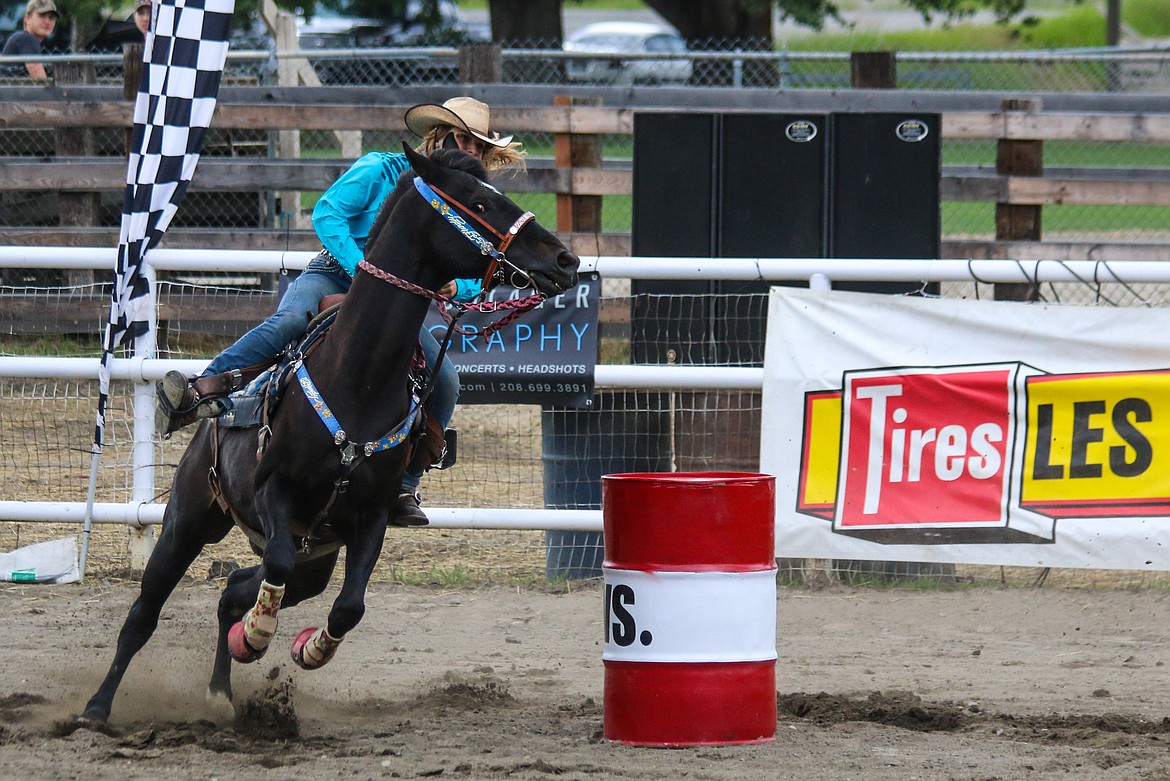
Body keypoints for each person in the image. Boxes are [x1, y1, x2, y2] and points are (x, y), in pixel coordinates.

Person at [157, 96, 527, 526]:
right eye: (464, 139)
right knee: (292, 320)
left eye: (478, 147)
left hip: (396, 301)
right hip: (333, 273)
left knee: (444, 378)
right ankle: (202, 388)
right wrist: (366, 273)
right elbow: (329, 213)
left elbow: (473, 263)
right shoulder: (381, 169)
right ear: (439, 136)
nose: (470, 152)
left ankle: (406, 482)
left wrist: (455, 285)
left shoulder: (457, 203)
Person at [2, 0, 58, 80]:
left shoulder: (24, 38)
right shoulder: (26, 39)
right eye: (42, 15)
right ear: (27, 18)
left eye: (51, 18)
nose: (47, 22)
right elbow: (41, 82)